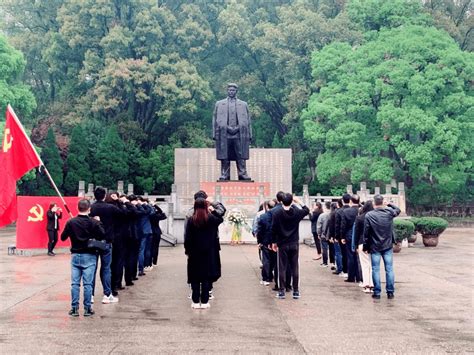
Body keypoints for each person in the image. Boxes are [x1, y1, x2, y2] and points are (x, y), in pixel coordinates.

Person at [60, 199, 105, 317]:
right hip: (89, 255)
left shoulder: (71, 222)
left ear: (78, 208)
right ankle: (87, 308)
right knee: (88, 284)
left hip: (75, 255)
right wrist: (99, 222)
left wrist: (70, 228)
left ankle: (74, 308)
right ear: (89, 209)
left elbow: (63, 237)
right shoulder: (93, 222)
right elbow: (102, 235)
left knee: (75, 284)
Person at [184, 198, 224, 309]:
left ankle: (196, 301)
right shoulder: (211, 219)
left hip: (194, 253)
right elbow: (221, 219)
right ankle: (205, 301)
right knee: (206, 277)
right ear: (206, 206)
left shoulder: (191, 220)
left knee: (195, 277)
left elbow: (187, 238)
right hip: (209, 252)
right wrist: (214, 210)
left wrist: (187, 251)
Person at [271, 193, 310, 300]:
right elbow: (307, 210)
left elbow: (273, 229)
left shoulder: (277, 213)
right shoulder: (296, 212)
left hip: (282, 243)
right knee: (294, 267)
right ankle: (296, 291)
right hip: (294, 243)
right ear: (292, 201)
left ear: (281, 202)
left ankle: (282, 291)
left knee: (282, 267)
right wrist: (299, 201)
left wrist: (273, 242)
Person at [362, 195, 400, 299]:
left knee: (375, 269)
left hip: (374, 246)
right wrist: (389, 204)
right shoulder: (389, 212)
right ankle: (390, 291)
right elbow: (398, 210)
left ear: (374, 203)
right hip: (387, 245)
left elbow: (366, 233)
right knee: (389, 269)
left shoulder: (369, 215)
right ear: (383, 202)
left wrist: (365, 246)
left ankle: (377, 292)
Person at [212, 83, 252, 181]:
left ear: (236, 91)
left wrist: (249, 134)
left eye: (233, 90)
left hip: (239, 133)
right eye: (229, 90)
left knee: (240, 154)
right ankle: (225, 174)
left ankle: (242, 173)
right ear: (227, 91)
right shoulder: (219, 104)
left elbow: (248, 120)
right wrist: (214, 134)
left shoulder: (243, 104)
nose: (231, 92)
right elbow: (214, 119)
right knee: (224, 154)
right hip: (224, 133)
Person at [90, 186, 122, 304]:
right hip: (107, 241)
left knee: (92, 269)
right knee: (106, 268)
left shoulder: (91, 207)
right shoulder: (111, 208)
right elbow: (122, 214)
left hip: (93, 241)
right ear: (104, 195)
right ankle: (107, 294)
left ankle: (91, 295)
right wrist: (118, 201)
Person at [354, 201, 374, 293]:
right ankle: (373, 284)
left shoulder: (359, 218)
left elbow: (356, 233)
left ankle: (366, 285)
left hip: (362, 242)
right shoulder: (375, 217)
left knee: (365, 265)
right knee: (373, 266)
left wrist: (355, 245)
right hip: (374, 243)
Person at [340, 194, 361, 283]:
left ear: (351, 201)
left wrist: (342, 237)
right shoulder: (361, 210)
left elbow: (343, 225)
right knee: (359, 257)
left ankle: (351, 277)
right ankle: (359, 277)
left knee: (350, 256)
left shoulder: (346, 211)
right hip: (360, 235)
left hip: (349, 235)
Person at [257, 200, 276, 286]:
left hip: (265, 241)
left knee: (266, 260)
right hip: (275, 242)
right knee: (273, 260)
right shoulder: (278, 215)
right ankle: (272, 277)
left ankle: (266, 278)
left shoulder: (263, 216)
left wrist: (259, 242)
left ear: (267, 207)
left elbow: (259, 231)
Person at [316, 202, 331, 267]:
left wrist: (318, 234)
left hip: (323, 234)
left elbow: (319, 226)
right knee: (332, 249)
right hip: (331, 234)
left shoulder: (322, 215)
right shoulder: (332, 214)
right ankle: (333, 263)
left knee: (324, 248)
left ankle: (325, 262)